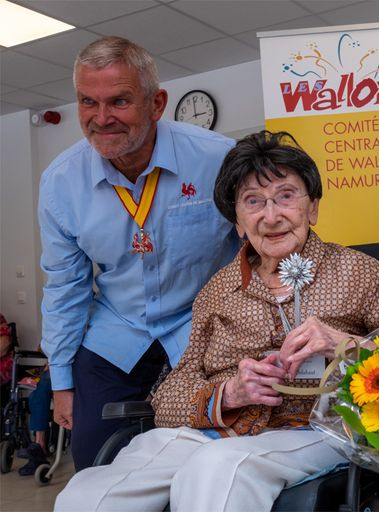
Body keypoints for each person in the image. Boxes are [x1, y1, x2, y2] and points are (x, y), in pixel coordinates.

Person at [54, 130, 379, 511]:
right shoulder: (217, 291)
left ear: (313, 207)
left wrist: (343, 343)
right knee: (83, 496)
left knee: (216, 469)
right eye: (253, 201)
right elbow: (170, 395)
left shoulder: (356, 271)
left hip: (316, 428)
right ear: (237, 222)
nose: (271, 216)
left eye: (286, 196)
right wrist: (230, 394)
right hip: (218, 428)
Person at [38, 36, 239, 471]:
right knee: (94, 460)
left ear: (156, 103)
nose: (101, 118)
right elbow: (65, 287)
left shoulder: (217, 159)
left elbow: (259, 253)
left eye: (120, 101)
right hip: (118, 332)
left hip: (205, 328)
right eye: (87, 102)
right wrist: (62, 381)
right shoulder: (61, 183)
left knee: (211, 459)